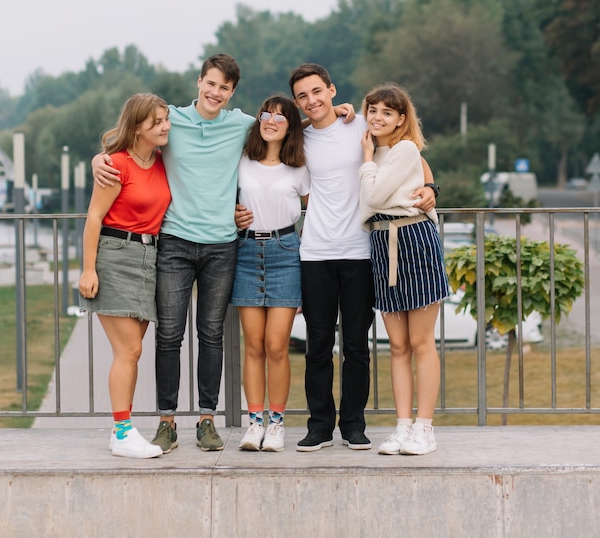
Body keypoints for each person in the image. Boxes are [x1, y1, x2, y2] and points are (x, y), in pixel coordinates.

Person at [92, 54, 353, 453]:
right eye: (210, 84)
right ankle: (166, 422)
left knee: (211, 335)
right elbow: (134, 136)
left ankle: (207, 420)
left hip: (222, 245)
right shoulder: (171, 120)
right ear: (199, 82)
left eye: (225, 88)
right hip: (175, 243)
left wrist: (337, 111)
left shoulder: (241, 124)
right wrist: (100, 158)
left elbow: (280, 126)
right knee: (169, 335)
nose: (216, 92)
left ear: (233, 93)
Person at [287, 64, 436, 452]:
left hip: (360, 250)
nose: (312, 100)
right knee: (318, 344)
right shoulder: (298, 136)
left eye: (317, 91)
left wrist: (432, 186)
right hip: (316, 251)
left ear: (332, 90)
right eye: (303, 95)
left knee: (357, 346)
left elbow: (411, 157)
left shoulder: (362, 127)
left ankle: (354, 424)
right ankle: (319, 425)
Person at [79, 93, 171, 459]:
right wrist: (88, 269)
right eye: (157, 122)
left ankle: (124, 429)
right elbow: (93, 218)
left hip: (150, 257)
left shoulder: (163, 160)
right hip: (115, 257)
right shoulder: (115, 166)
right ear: (137, 128)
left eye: (165, 119)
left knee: (133, 351)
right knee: (128, 350)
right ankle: (121, 432)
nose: (165, 127)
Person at [359, 82, 448, 456]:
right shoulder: (372, 148)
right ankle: (402, 427)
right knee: (396, 345)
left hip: (413, 241)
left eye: (387, 112)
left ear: (400, 119)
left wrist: (366, 161)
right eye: (372, 110)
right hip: (382, 243)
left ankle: (424, 429)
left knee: (420, 342)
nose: (378, 118)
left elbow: (375, 196)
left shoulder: (405, 148)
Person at [233, 95, 310, 453]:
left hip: (285, 253)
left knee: (277, 345)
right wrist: (231, 215)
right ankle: (254, 422)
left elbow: (317, 209)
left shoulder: (299, 167)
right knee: (253, 345)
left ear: (291, 125)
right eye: (265, 114)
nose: (270, 120)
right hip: (246, 252)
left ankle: (276, 423)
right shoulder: (242, 160)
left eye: (280, 117)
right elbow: (222, 198)